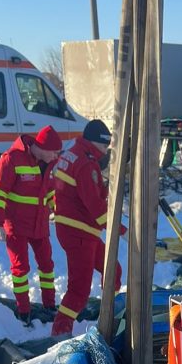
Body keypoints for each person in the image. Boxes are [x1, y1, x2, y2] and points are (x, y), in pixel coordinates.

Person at [51, 119, 123, 338]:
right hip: (79, 232)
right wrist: (120, 230)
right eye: (104, 147)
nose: (105, 153)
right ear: (95, 143)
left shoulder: (72, 153)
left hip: (75, 229)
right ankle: (60, 332)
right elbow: (95, 207)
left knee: (113, 271)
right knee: (79, 291)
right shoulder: (86, 164)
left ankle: (110, 316)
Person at [0, 124, 62, 327]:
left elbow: (48, 188)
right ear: (44, 147)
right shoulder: (12, 159)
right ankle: (24, 311)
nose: (56, 156)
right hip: (17, 225)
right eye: (54, 152)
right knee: (20, 269)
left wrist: (52, 206)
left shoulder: (47, 162)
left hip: (39, 224)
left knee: (47, 266)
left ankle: (50, 305)